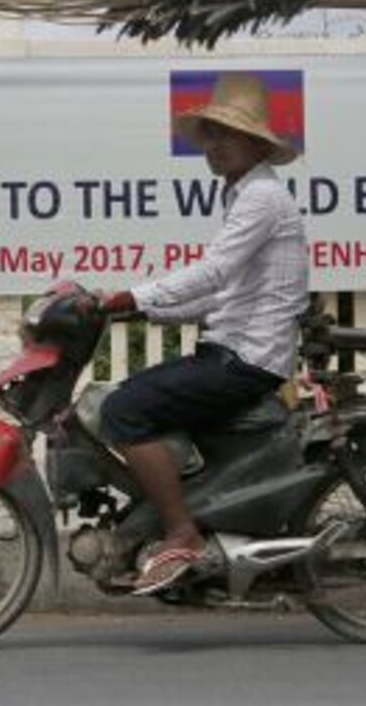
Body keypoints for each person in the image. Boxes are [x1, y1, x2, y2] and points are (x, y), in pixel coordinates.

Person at [99, 73, 309, 594]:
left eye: (225, 135)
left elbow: (212, 272)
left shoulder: (260, 196)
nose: (212, 147)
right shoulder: (244, 195)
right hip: (234, 351)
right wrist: (138, 313)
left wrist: (133, 296)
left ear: (256, 142)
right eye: (209, 135)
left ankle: (180, 532)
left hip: (246, 360)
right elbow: (221, 296)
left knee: (123, 410)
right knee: (136, 397)